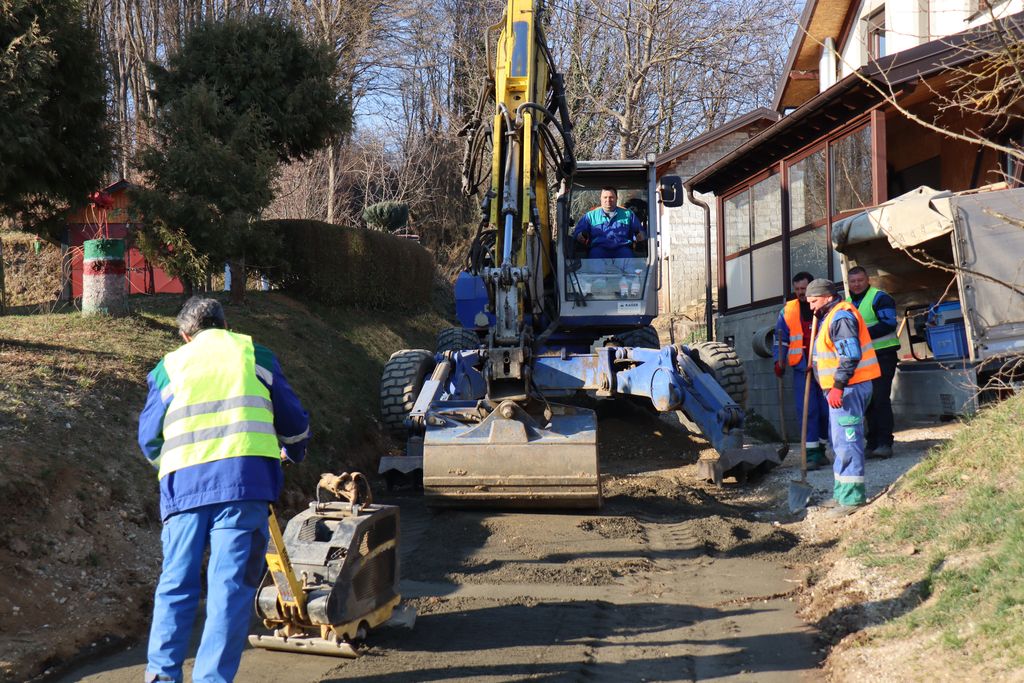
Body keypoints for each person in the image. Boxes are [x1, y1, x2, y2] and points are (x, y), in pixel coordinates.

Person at [138, 297, 310, 683]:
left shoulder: (169, 367)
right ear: (225, 325)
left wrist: (170, 466)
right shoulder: (255, 354)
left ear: (186, 335)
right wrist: (294, 451)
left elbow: (149, 438)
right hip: (243, 486)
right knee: (228, 589)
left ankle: (161, 677)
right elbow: (294, 423)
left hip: (182, 490)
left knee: (176, 584)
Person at [805, 278, 880, 517]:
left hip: (849, 389)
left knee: (848, 443)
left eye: (814, 301)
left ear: (827, 296)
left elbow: (850, 356)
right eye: (808, 302)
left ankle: (852, 499)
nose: (811, 307)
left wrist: (837, 386)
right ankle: (841, 494)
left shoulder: (841, 317)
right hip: (843, 389)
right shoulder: (830, 316)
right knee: (839, 443)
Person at [774, 272, 829, 469]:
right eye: (797, 290)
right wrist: (779, 361)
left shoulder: (823, 308)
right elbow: (780, 340)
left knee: (825, 411)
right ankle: (811, 454)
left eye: (803, 290)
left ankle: (821, 450)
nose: (800, 294)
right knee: (808, 411)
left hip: (824, 368)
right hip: (801, 369)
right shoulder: (788, 311)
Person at [846, 266, 899, 459]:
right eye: (853, 281)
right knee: (867, 401)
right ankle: (872, 442)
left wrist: (860, 335)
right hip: (864, 359)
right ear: (848, 282)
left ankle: (885, 442)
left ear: (867, 280)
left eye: (860, 280)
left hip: (883, 355)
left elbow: (889, 324)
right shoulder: (848, 302)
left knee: (880, 399)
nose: (857, 284)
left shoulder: (880, 298)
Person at [574, 187, 646, 259]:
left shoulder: (628, 214)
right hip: (598, 250)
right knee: (594, 261)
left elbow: (639, 231)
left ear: (616, 198)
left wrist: (640, 235)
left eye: (611, 197)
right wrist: (580, 235)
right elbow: (578, 232)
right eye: (605, 197)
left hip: (622, 249)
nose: (608, 200)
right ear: (601, 199)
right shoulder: (590, 216)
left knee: (628, 262)